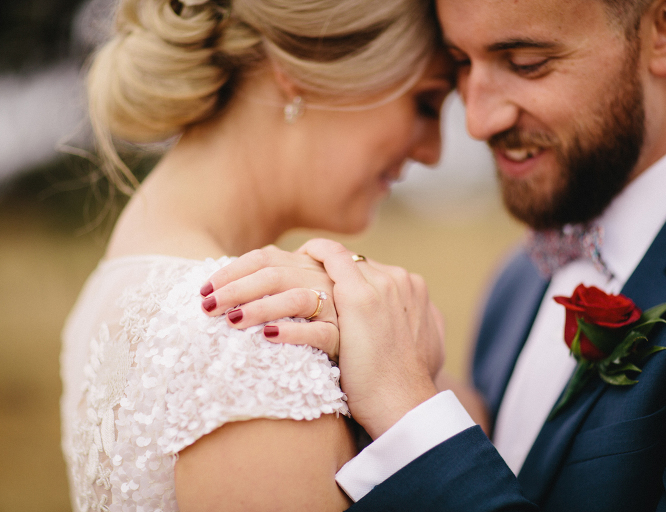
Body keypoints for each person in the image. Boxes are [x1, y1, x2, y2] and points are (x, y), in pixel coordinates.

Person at [205, 0, 666, 509]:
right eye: (462, 65)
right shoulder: (518, 279)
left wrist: (410, 414)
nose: (478, 121)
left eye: (526, 63)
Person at [58, 0, 455, 510]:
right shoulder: (254, 338)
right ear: (302, 68)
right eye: (425, 102)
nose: (434, 151)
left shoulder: (116, 285)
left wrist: (411, 367)